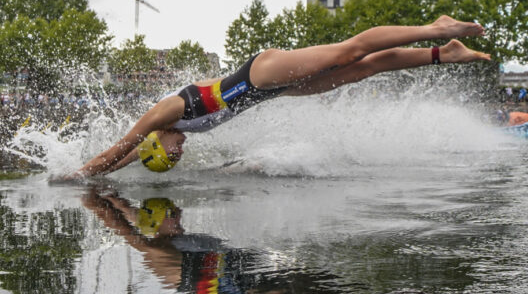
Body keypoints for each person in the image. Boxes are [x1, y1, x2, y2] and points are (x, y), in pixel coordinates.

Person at [64, 16, 491, 179]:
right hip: (272, 92)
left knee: (351, 51)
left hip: (258, 73)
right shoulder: (167, 136)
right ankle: (442, 55)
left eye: (167, 156)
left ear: (159, 140)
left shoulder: (168, 113)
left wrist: (77, 175)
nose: (176, 156)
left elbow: (120, 146)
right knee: (365, 69)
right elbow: (124, 160)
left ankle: (438, 29)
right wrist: (97, 181)